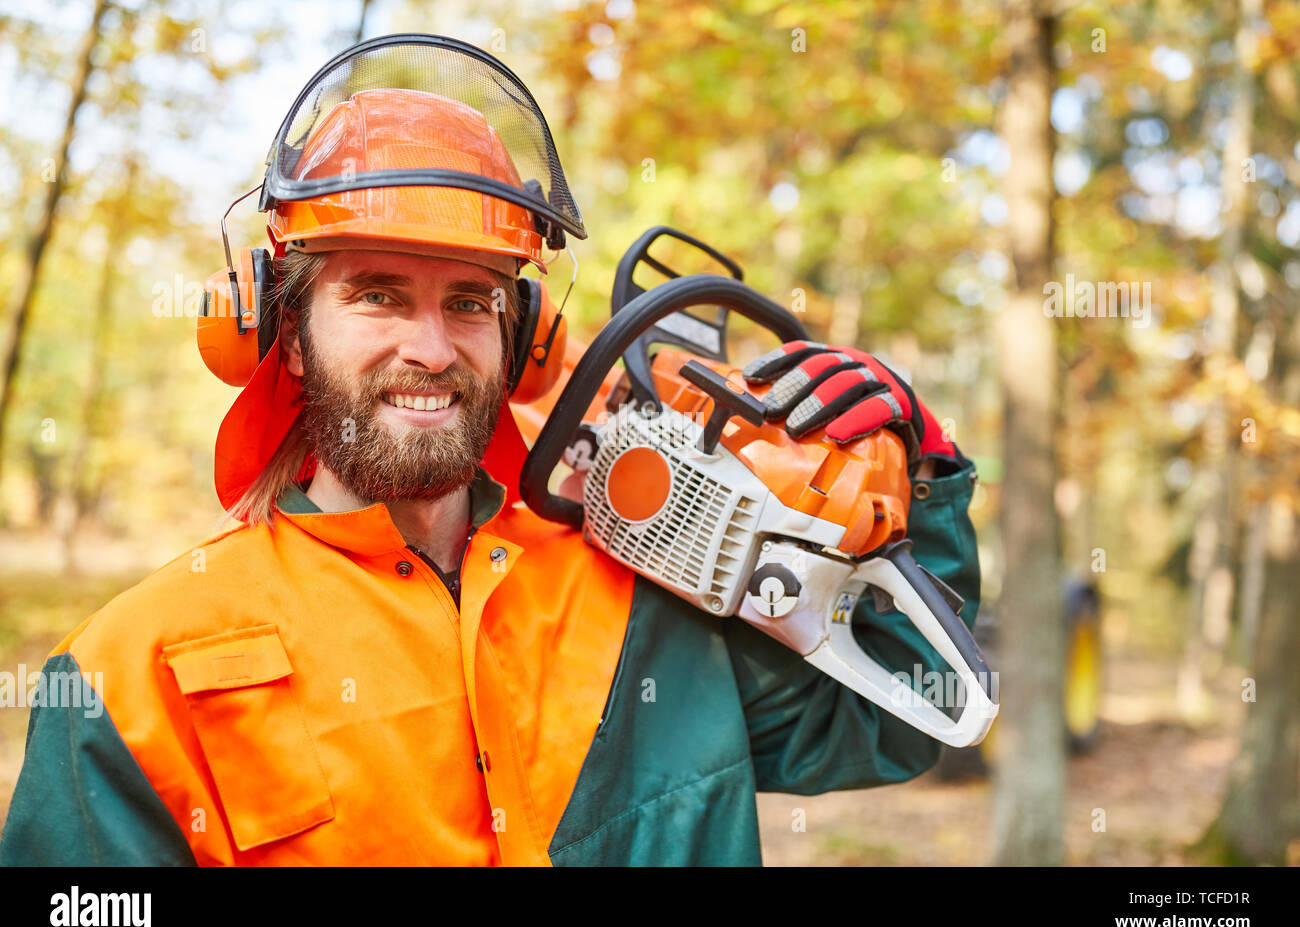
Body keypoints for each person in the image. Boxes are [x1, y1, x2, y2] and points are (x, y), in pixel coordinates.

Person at [0, 34, 981, 866]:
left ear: (526, 339)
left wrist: (916, 468)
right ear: (283, 333)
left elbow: (891, 721)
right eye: (377, 292)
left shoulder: (642, 589)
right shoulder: (135, 674)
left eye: (468, 300)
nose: (429, 347)